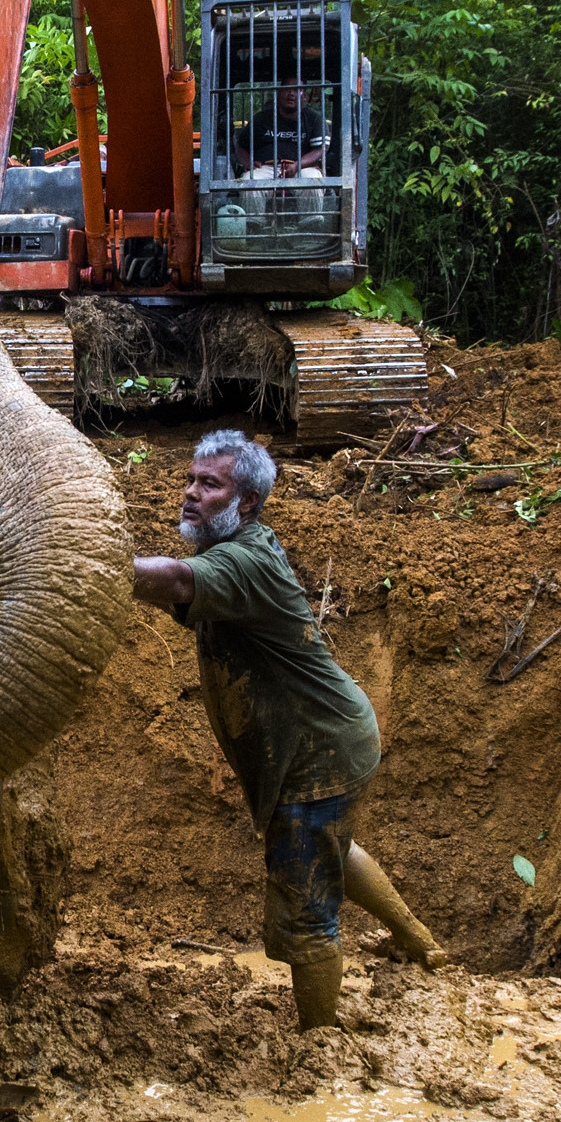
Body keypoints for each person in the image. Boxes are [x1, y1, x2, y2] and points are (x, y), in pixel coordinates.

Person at [130, 430, 445, 1031]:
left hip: (318, 753)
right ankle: (420, 941)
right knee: (332, 849)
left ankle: (318, 1047)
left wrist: (74, 559)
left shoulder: (245, 561)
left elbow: (173, 580)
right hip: (329, 739)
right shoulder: (237, 551)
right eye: (191, 480)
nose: (191, 494)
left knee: (306, 912)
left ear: (245, 502)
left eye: (210, 484)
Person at [234, 84, 335, 176]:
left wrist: (297, 165)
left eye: (296, 89)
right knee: (250, 180)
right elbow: (242, 146)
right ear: (278, 93)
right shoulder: (260, 119)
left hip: (304, 167)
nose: (291, 93)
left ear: (305, 96)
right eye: (286, 89)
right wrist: (248, 163)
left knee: (312, 179)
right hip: (264, 168)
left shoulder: (315, 119)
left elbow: (320, 149)